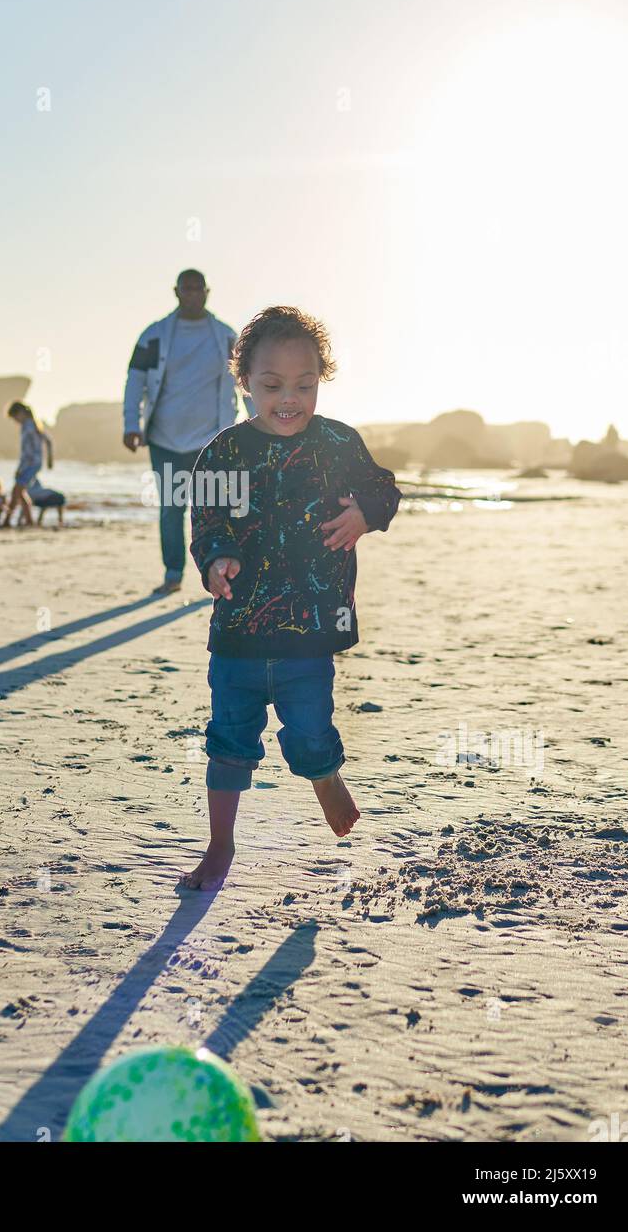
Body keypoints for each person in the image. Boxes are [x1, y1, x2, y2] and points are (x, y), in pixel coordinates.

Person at [181, 306, 401, 891]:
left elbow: (384, 487)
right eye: (272, 385)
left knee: (310, 730)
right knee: (229, 740)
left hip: (310, 629)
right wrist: (217, 558)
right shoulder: (225, 453)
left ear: (320, 380)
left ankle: (323, 776)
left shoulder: (336, 443)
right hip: (239, 631)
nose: (289, 398)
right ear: (245, 382)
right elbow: (206, 520)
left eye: (305, 385)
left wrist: (364, 514)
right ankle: (220, 845)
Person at [122, 269, 254, 595]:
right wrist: (130, 424)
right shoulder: (154, 335)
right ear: (176, 292)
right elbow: (134, 381)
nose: (193, 294)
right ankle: (173, 574)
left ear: (207, 292)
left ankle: (223, 572)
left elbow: (248, 385)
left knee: (219, 506)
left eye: (198, 289)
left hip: (213, 441)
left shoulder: (225, 337)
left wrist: (259, 425)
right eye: (187, 289)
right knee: (171, 508)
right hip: (164, 439)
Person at [0, 401, 54, 528]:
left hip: (30, 464)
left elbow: (26, 452)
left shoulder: (28, 426)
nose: (15, 421)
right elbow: (48, 441)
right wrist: (49, 459)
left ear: (21, 413)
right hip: (35, 463)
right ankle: (29, 520)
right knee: (21, 493)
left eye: (15, 417)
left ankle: (6, 520)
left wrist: (20, 468)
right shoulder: (35, 424)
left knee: (16, 491)